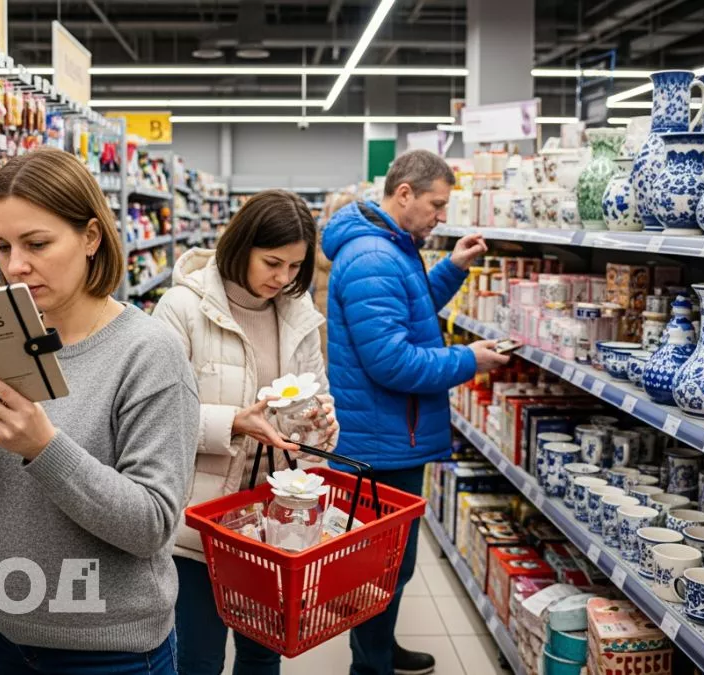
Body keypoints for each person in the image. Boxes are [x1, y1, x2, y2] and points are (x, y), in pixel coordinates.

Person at [0, 148, 199, 675]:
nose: (15, 266)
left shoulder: (148, 353)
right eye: (2, 246)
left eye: (37, 243)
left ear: (91, 237)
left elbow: (152, 525)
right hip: (5, 627)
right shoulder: (2, 338)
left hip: (110, 650)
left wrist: (44, 448)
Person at [321, 150, 510, 675]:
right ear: (403, 193)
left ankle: (380, 647)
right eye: (436, 204)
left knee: (391, 564)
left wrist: (452, 268)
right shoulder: (375, 256)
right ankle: (371, 665)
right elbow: (391, 361)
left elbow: (409, 307)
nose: (440, 216)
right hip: (381, 442)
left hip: (390, 432)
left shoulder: (391, 247)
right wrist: (468, 359)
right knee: (380, 567)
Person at [153, 189, 339, 675]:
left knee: (263, 653)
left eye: (295, 267)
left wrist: (320, 425)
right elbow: (152, 417)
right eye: (272, 262)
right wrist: (233, 421)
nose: (282, 279)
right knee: (198, 659)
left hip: (272, 523)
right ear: (241, 247)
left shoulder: (298, 317)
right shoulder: (181, 309)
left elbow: (309, 409)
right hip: (197, 526)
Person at [313, 191, 357, 358]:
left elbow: (325, 261)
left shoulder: (337, 237)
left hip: (328, 298)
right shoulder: (337, 235)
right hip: (324, 297)